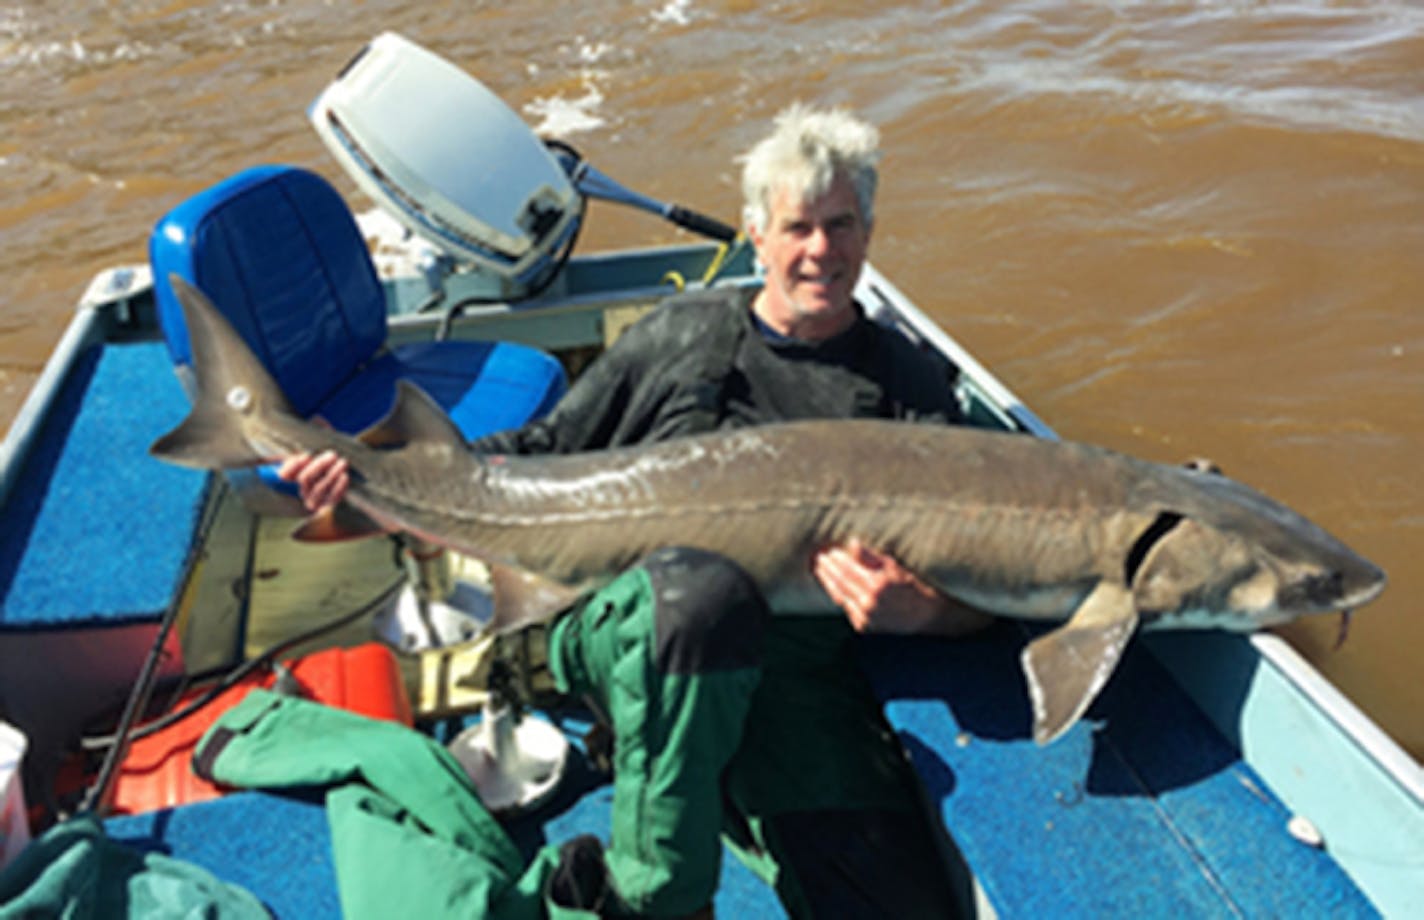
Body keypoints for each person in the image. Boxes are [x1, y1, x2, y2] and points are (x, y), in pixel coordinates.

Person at [281, 103, 989, 918]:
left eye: (842, 223)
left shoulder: (907, 384)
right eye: (798, 226)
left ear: (868, 232)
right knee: (700, 595)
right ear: (756, 235)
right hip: (627, 620)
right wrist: (372, 479)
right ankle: (656, 902)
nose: (821, 249)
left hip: (797, 668)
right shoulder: (684, 333)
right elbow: (544, 448)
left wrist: (927, 611)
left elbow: (995, 566)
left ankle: (684, 792)